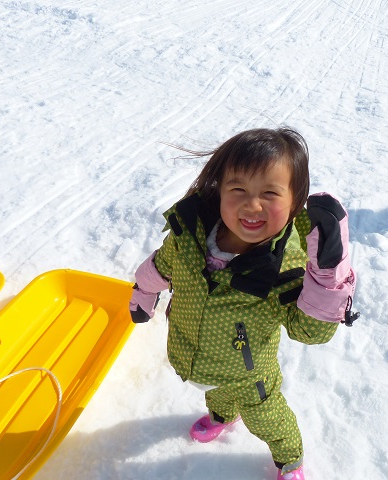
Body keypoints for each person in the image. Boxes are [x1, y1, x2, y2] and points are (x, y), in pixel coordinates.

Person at [129, 127, 357, 480]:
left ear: (294, 200)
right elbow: (163, 264)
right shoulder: (192, 234)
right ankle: (222, 416)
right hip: (197, 359)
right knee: (215, 396)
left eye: (269, 192)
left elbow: (309, 330)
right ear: (220, 189)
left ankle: (290, 460)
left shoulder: (282, 268)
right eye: (239, 190)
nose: (252, 205)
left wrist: (327, 279)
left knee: (269, 421)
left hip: (251, 378)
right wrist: (143, 292)